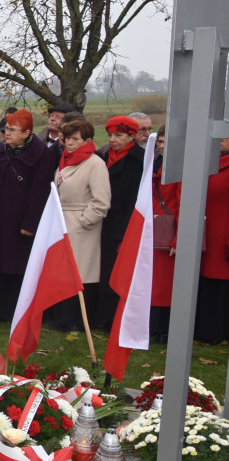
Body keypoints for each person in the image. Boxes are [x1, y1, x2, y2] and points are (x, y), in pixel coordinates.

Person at [0, 109, 53, 321]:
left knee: (15, 264)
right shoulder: (0, 151)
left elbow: (40, 191)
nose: (7, 133)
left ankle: (12, 309)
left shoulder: (42, 155)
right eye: (5, 129)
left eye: (12, 130)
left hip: (19, 220)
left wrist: (30, 223)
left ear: (27, 132)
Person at [51, 120, 111, 330]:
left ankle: (79, 320)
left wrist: (83, 221)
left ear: (88, 141)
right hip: (63, 222)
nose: (70, 143)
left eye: (75, 139)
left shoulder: (95, 163)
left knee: (81, 274)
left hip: (81, 226)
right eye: (67, 138)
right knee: (64, 273)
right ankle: (64, 318)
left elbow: (102, 201)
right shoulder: (65, 161)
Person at [96, 116, 145, 327]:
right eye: (110, 135)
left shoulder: (138, 160)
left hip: (122, 222)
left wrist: (123, 231)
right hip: (104, 220)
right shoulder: (105, 155)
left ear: (131, 137)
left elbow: (135, 197)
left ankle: (113, 317)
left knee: (117, 269)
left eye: (119, 135)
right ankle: (101, 314)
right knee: (103, 268)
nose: (113, 139)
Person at [194, 137, 229, 344]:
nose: (221, 140)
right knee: (206, 282)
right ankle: (205, 329)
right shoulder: (207, 162)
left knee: (220, 284)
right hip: (206, 231)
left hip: (223, 234)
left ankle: (217, 332)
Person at [150, 125, 179, 344]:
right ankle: (154, 326)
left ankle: (164, 329)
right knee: (153, 282)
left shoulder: (179, 171)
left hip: (167, 229)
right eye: (159, 142)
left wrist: (178, 238)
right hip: (153, 228)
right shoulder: (155, 163)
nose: (161, 146)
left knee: (165, 285)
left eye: (165, 142)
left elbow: (181, 205)